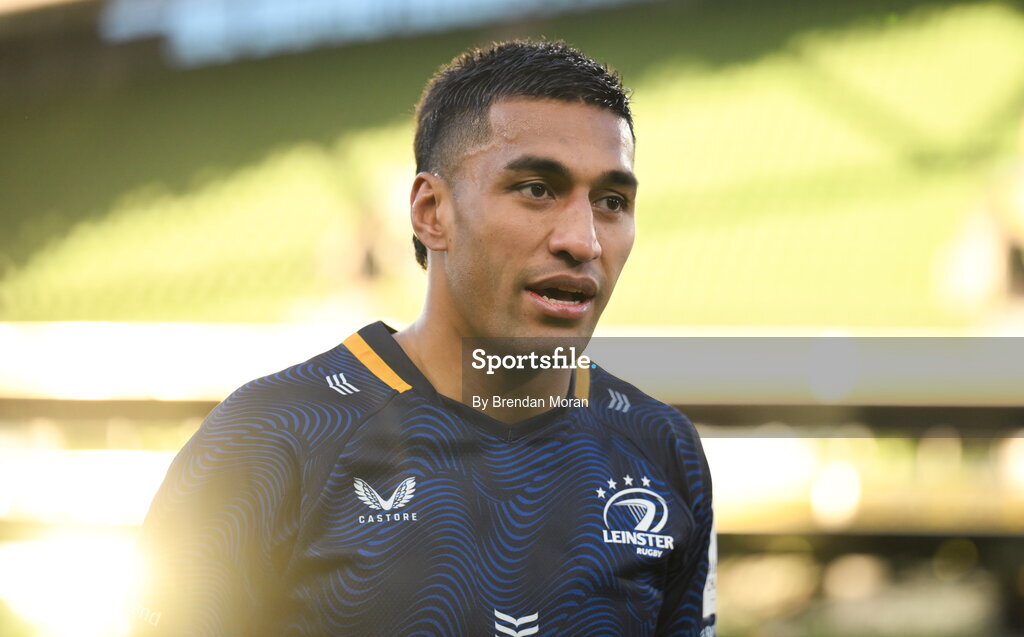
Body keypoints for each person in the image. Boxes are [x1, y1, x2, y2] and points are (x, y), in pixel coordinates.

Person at [132, 40, 716, 636]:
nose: (583, 240)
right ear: (432, 212)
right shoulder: (269, 437)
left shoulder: (662, 448)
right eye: (537, 189)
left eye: (611, 202)